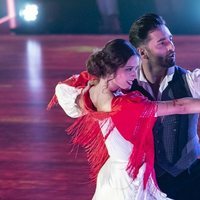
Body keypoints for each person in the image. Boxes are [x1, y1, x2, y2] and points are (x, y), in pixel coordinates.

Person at [48, 39, 200, 200]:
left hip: (114, 171)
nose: (134, 75)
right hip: (131, 178)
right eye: (129, 69)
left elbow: (67, 88)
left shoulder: (90, 91)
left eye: (135, 68)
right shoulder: (126, 105)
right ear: (111, 70)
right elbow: (179, 106)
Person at [129, 13, 200, 199]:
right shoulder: (126, 84)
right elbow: (72, 101)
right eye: (162, 43)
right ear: (142, 52)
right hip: (144, 184)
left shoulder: (191, 81)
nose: (171, 47)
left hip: (190, 179)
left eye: (170, 39)